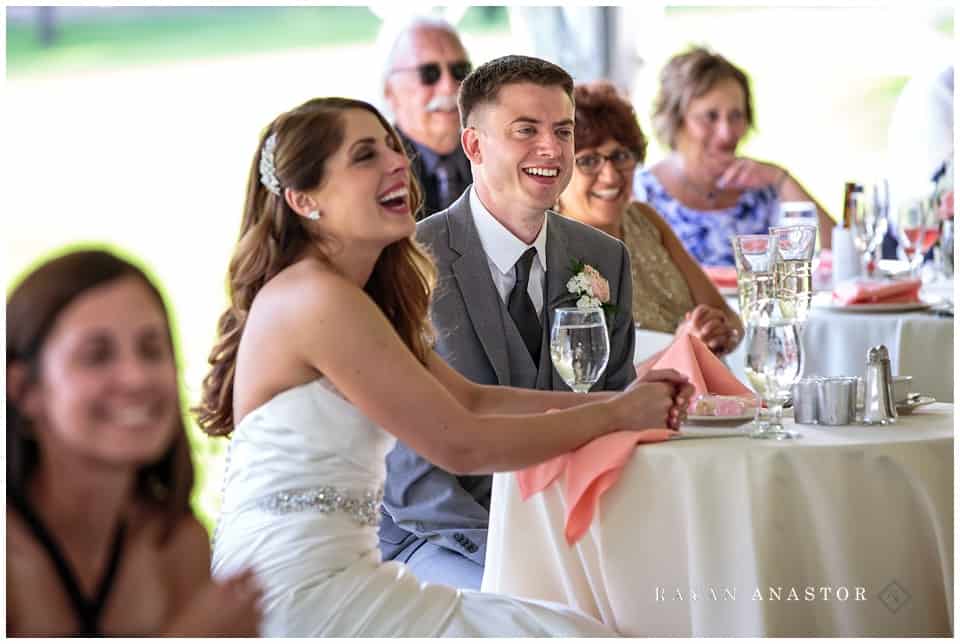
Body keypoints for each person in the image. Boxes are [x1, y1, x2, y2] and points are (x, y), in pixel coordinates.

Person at [198, 96, 691, 636]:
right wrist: (619, 416)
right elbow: (463, 443)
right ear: (303, 199)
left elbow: (473, 398)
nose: (396, 162)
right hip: (302, 595)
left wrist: (619, 401)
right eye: (365, 156)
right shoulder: (316, 299)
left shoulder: (348, 296)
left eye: (391, 146)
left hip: (346, 577)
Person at [379, 56, 644, 591]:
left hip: (577, 528)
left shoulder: (605, 258)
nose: (551, 148)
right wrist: (524, 559)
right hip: (440, 537)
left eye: (562, 131)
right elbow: (413, 483)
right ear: (474, 145)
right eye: (526, 130)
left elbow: (614, 413)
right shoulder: (407, 264)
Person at [6, 249, 262, 637]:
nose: (136, 378)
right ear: (24, 390)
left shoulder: (175, 542)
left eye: (151, 349)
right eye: (97, 356)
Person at [556, 81, 743, 361]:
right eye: (588, 160)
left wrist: (717, 333)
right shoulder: (553, 247)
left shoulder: (645, 219)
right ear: (559, 168)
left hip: (704, 396)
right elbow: (587, 378)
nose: (611, 176)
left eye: (620, 156)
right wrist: (682, 349)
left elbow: (731, 321)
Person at [635, 46, 835, 267]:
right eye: (710, 116)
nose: (726, 133)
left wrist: (782, 178)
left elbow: (837, 254)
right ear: (676, 120)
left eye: (736, 116)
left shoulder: (764, 190)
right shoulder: (641, 194)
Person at [383, 16, 473, 219]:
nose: (449, 86)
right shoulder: (375, 175)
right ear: (390, 91)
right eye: (429, 73)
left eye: (460, 71)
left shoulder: (496, 155)